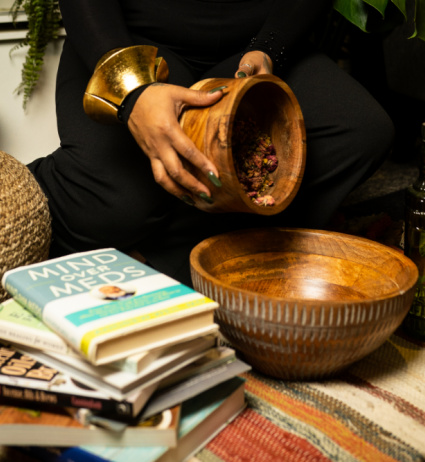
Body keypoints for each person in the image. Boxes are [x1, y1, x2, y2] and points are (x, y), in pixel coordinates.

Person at [28, 0, 395, 287]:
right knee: (120, 204)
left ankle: (173, 262)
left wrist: (270, 49)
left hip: (252, 48)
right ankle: (33, 187)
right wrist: (133, 91)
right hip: (128, 44)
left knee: (360, 131)